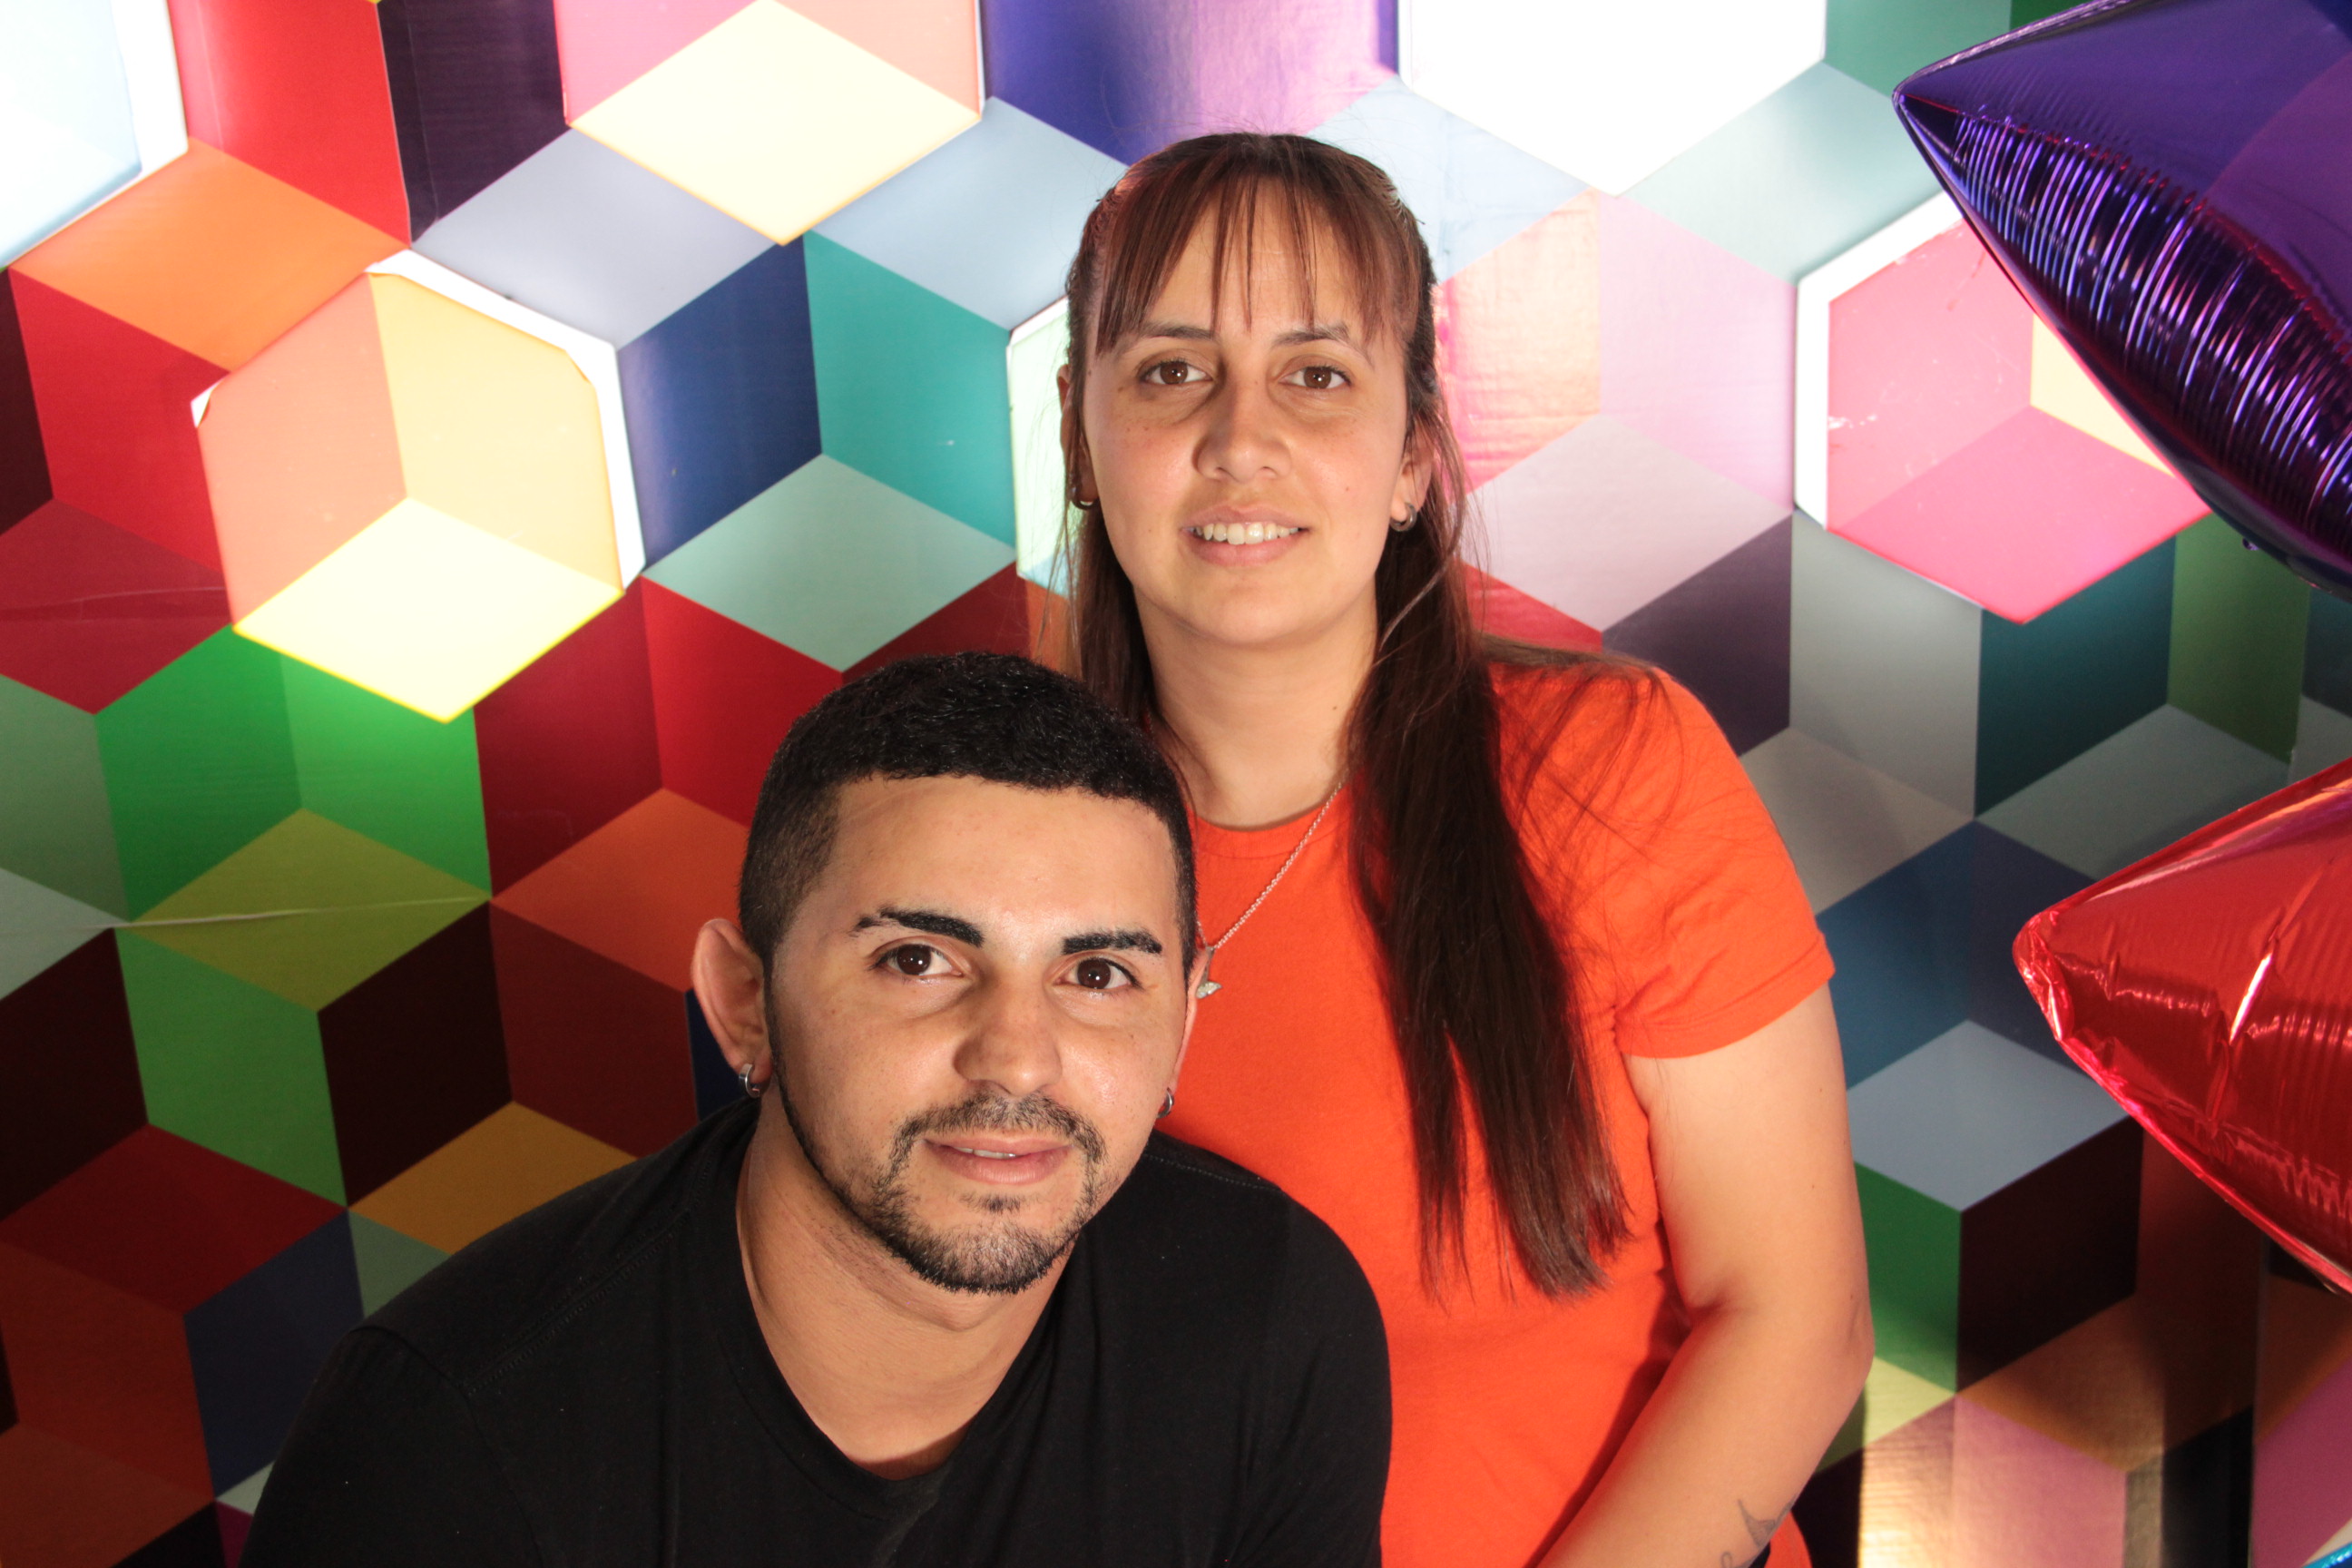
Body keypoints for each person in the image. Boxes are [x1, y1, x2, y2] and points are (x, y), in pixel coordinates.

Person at [1054, 135, 1872, 1568]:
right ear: (1080, 435)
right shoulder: (989, 844)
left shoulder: (1612, 770)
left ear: (1412, 461)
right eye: (1172, 370)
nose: (1240, 437)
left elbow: (1797, 1318)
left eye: (1317, 375)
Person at [242, 653, 1389, 1566]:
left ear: (1182, 1020)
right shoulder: (443, 1438)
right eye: (918, 960)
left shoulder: (1271, 1316)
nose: (1017, 1061)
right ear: (744, 1001)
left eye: (1097, 975)